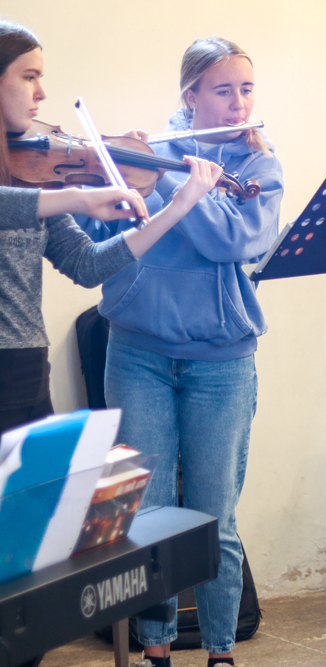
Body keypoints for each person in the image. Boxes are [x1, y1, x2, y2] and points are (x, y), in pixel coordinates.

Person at [81, 37, 282, 667]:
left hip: (222, 361)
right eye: (223, 90)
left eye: (246, 88)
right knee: (148, 515)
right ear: (190, 95)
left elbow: (234, 241)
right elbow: (98, 240)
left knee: (214, 516)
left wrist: (170, 179)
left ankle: (221, 651)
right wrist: (114, 175)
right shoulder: (145, 155)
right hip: (137, 352)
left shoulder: (259, 166)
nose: (238, 102)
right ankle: (156, 650)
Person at [0, 20, 222, 435]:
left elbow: (87, 265)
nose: (42, 93)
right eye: (29, 77)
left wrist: (176, 208)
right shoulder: (50, 195)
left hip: (27, 370)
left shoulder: (30, 171)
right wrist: (78, 197)